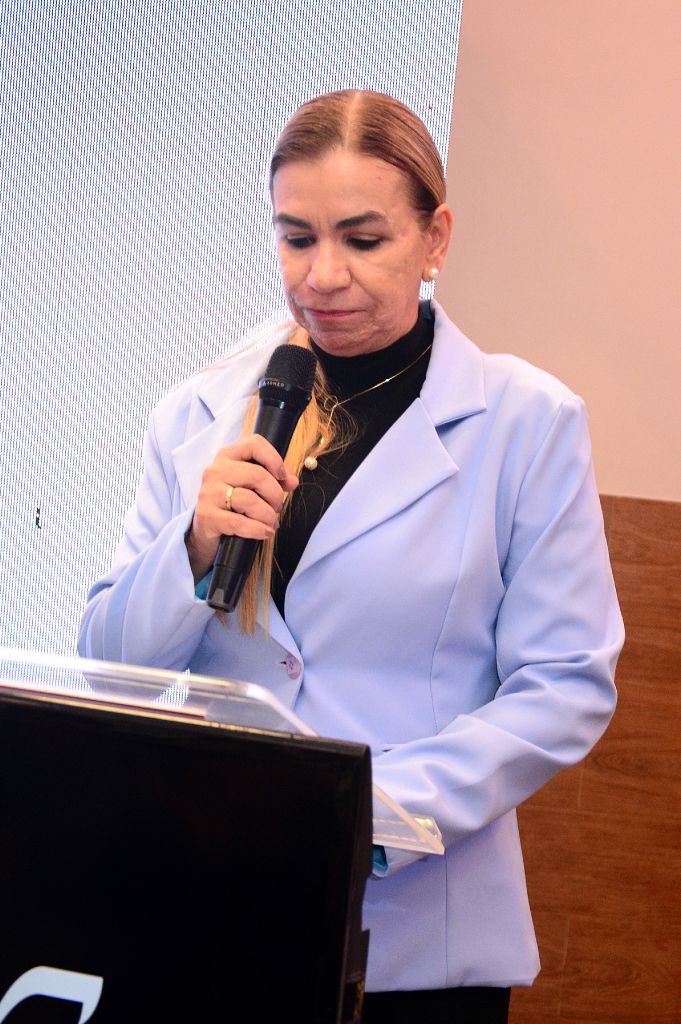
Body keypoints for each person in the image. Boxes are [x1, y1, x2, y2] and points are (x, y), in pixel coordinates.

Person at [78, 89, 624, 1022]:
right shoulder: (198, 412)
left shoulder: (525, 423)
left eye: (362, 240)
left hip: (410, 940)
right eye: (295, 238)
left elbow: (564, 683)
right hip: (207, 911)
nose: (321, 275)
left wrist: (358, 812)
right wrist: (193, 547)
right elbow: (109, 668)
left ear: (434, 238)